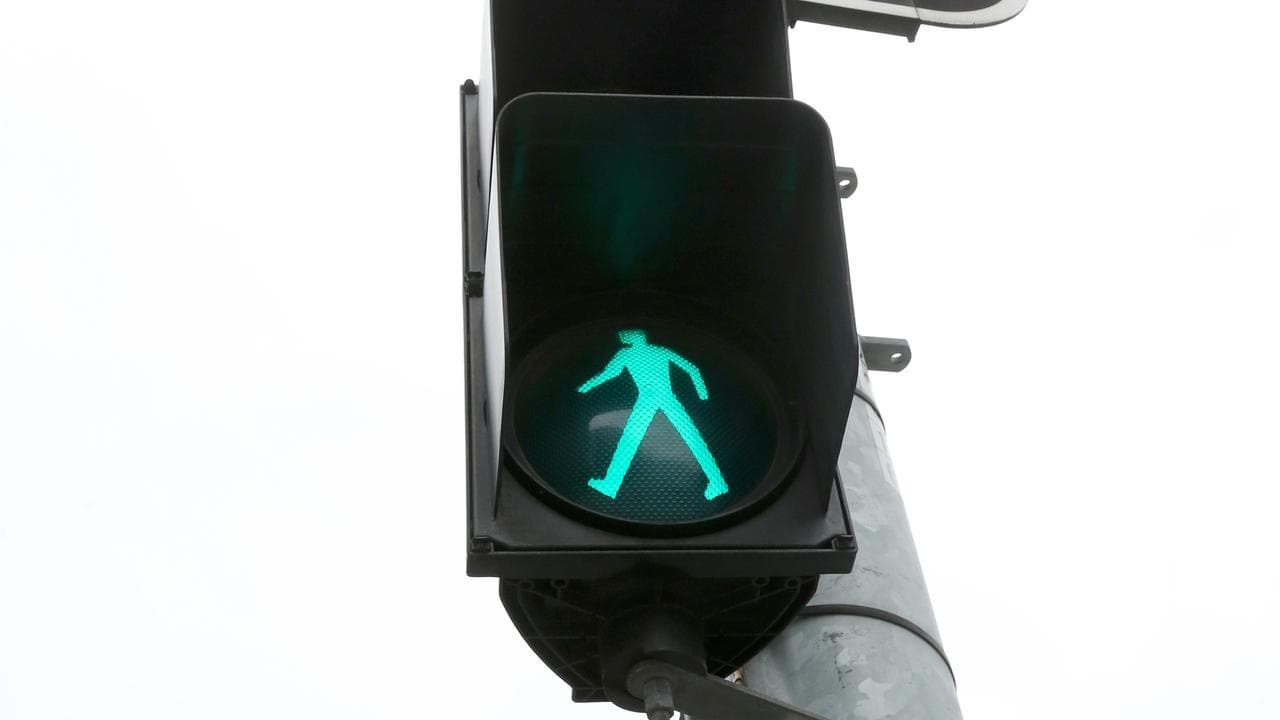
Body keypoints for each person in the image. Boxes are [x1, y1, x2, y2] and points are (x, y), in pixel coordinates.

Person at [578, 329, 728, 500]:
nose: (623, 336)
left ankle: (611, 484)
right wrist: (702, 394)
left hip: (648, 399)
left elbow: (609, 373)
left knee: (629, 440)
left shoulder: (627, 353)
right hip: (665, 397)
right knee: (693, 438)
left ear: (632, 337)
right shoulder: (658, 351)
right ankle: (717, 481)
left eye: (627, 333)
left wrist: (587, 386)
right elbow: (692, 369)